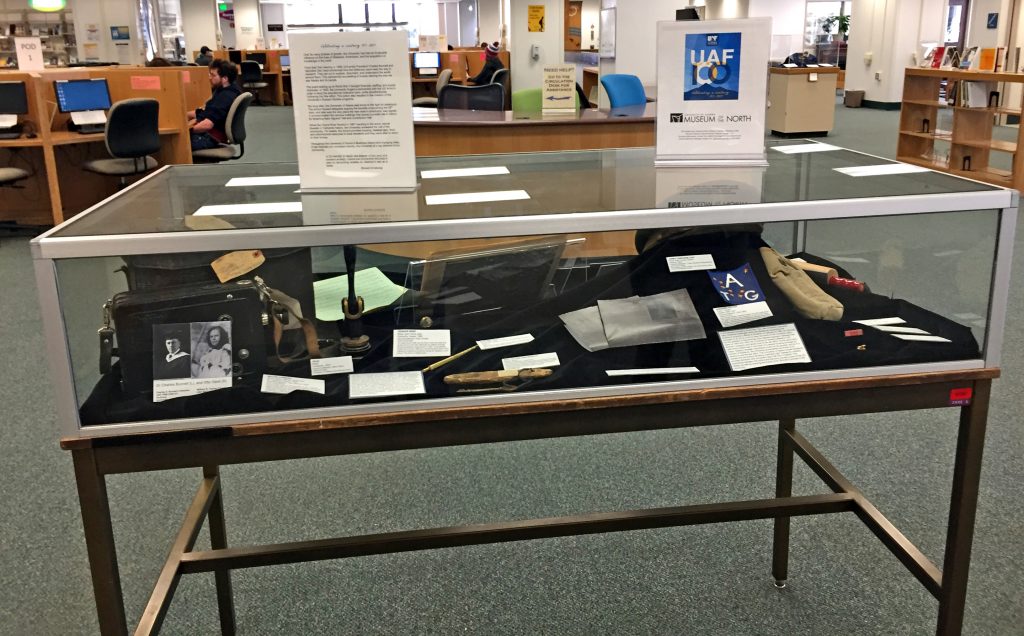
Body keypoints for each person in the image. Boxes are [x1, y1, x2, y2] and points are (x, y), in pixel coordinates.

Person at [187, 59, 242, 151]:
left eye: (213, 75)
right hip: (212, 134)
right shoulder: (228, 89)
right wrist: (186, 114)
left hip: (211, 137)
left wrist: (187, 131)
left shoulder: (225, 97)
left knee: (175, 143)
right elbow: (208, 112)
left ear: (225, 78)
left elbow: (207, 125)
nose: (210, 78)